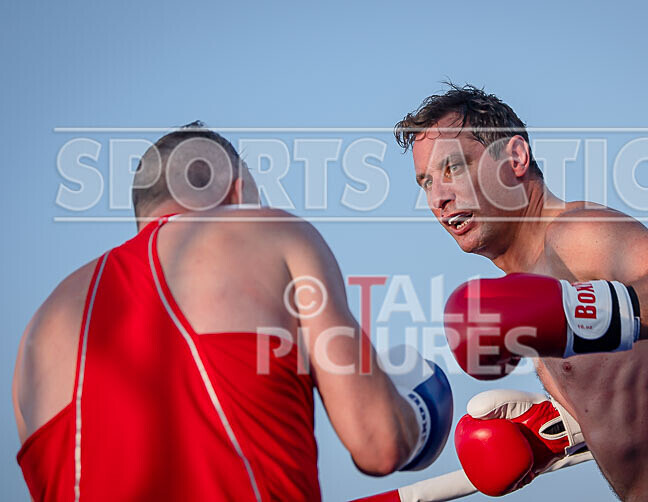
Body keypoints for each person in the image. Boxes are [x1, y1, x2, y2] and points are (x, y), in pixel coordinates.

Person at [395, 85, 648, 500]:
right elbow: (633, 389)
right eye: (425, 182)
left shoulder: (575, 233)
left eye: (454, 169)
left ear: (515, 158)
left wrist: (570, 313)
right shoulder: (529, 289)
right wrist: (557, 430)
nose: (437, 198)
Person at [12, 122, 453, 501]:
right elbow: (378, 442)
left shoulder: (39, 331)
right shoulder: (269, 232)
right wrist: (419, 409)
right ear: (237, 191)